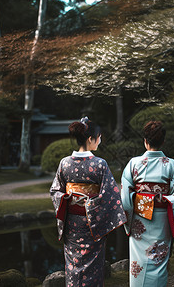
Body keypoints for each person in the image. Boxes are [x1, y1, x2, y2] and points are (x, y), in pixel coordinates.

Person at [50, 117, 127, 287]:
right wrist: (92, 205)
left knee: (73, 264)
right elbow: (111, 196)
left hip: (72, 223)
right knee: (93, 265)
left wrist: (68, 199)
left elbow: (55, 191)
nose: (100, 141)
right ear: (91, 139)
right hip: (94, 223)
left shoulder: (65, 163)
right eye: (99, 137)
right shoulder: (100, 164)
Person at [121, 120, 174, 286]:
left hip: (139, 219)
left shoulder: (133, 164)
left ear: (145, 141)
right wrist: (161, 200)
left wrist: (140, 202)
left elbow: (124, 196)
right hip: (162, 218)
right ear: (163, 141)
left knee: (139, 262)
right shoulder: (172, 165)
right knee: (159, 260)